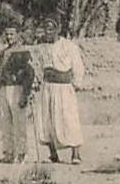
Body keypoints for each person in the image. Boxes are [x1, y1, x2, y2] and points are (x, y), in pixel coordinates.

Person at [37, 23, 86, 165]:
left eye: (52, 29)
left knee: (69, 119)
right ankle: (53, 154)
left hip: (64, 88)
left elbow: (78, 65)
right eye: (46, 29)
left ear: (58, 30)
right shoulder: (42, 47)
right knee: (48, 119)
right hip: (48, 87)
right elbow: (40, 66)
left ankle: (75, 154)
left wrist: (76, 83)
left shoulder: (68, 45)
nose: (48, 32)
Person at [0, 27, 36, 164]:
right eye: (7, 34)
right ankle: (8, 153)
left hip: (17, 88)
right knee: (5, 123)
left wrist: (26, 93)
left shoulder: (24, 51)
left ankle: (22, 153)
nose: (9, 37)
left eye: (12, 34)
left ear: (17, 35)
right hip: (3, 89)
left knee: (19, 122)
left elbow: (30, 73)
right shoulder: (3, 52)